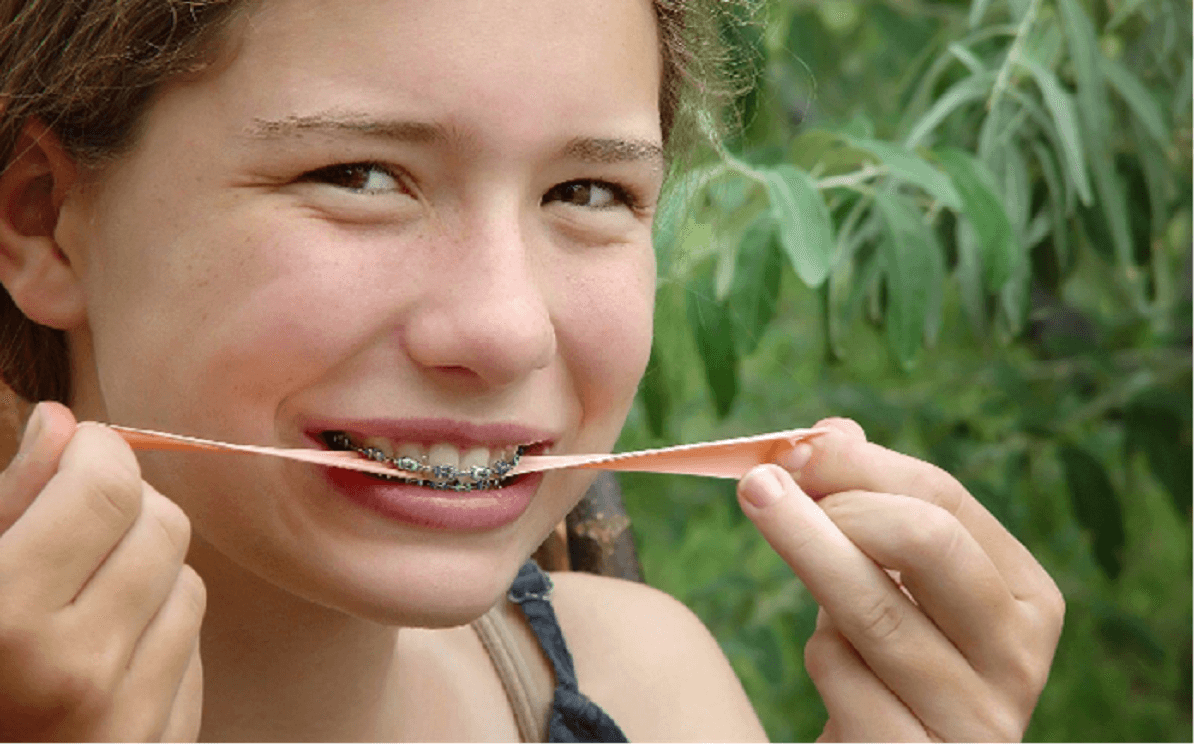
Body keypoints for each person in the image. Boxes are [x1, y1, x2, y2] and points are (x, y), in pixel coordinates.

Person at [0, 0, 1065, 742]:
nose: (508, 330)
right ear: (44, 224)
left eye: (589, 192)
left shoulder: (653, 692)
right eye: (361, 175)